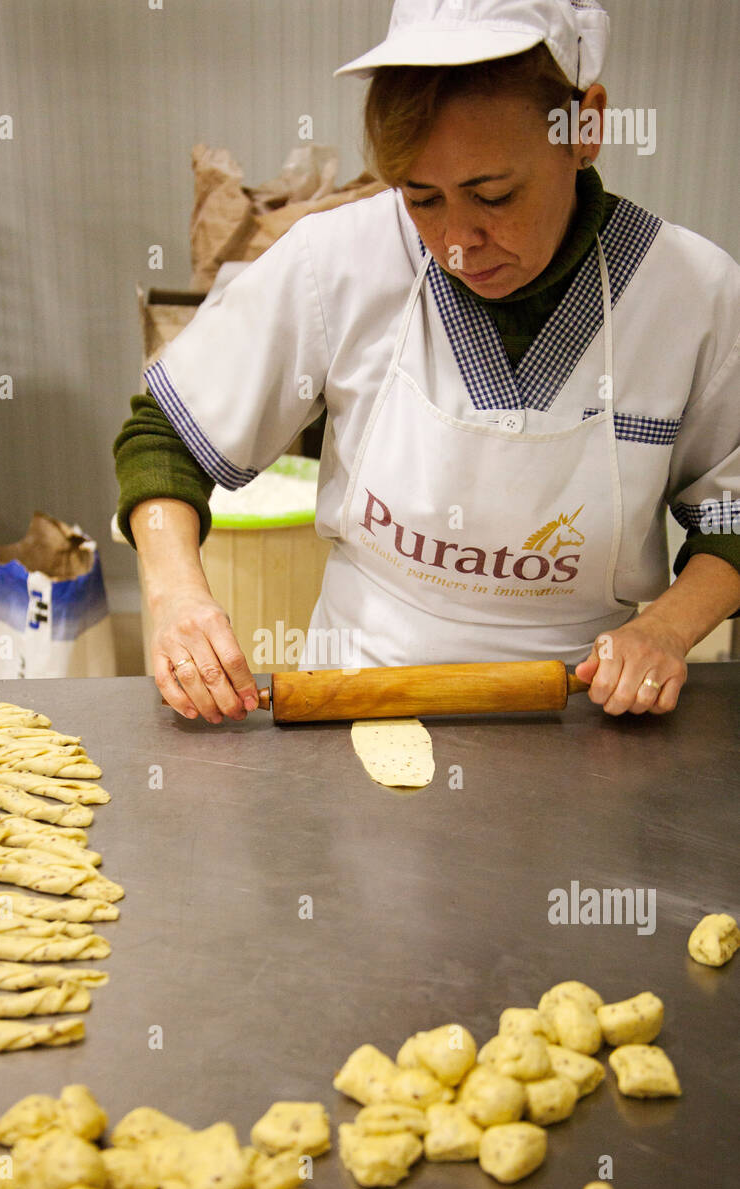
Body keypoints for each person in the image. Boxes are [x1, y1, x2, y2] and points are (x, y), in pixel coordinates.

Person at [113, 0, 740, 724]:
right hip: (355, 698)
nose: (457, 243)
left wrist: (664, 628)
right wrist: (176, 596)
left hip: (580, 709)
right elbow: (164, 435)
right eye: (422, 198)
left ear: (586, 127)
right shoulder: (339, 262)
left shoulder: (694, 296)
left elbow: (729, 515)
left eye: (493, 195)